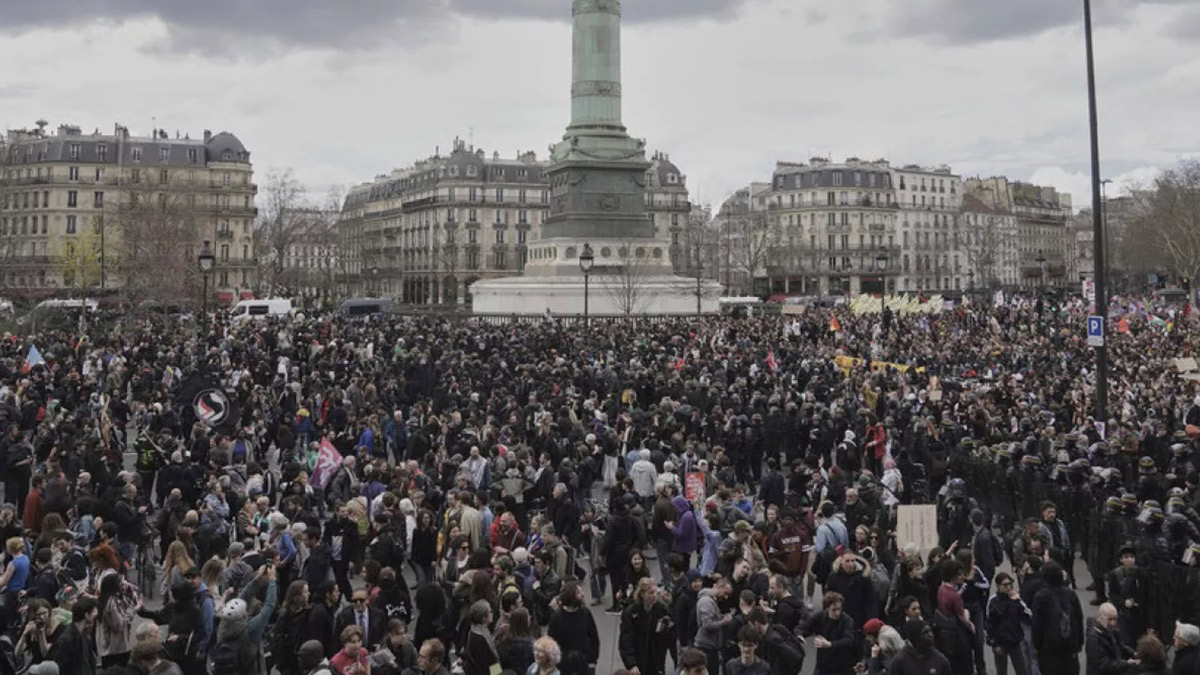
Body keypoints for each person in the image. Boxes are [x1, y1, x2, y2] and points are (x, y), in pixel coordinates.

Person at [1032, 561, 1083, 675]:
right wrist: (1079, 642)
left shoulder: (1041, 596)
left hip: (1049, 648)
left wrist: (1037, 646)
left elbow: (1037, 624)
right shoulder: (1070, 594)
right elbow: (1078, 618)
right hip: (1069, 646)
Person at [618, 577, 673, 675]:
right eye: (651, 593)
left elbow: (670, 632)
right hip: (639, 657)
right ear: (642, 594)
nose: (654, 595)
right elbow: (626, 640)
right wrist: (631, 664)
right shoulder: (631, 612)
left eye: (655, 592)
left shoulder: (661, 609)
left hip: (656, 657)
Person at [547, 581, 601, 675]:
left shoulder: (585, 613)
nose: (583, 595)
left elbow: (594, 638)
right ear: (571, 596)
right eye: (579, 593)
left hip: (585, 663)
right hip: (564, 666)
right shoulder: (557, 618)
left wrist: (593, 660)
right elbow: (551, 642)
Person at [985, 572, 1032, 675]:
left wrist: (1017, 600)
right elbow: (990, 624)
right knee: (1001, 671)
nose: (1008, 587)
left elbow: (1028, 615)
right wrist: (994, 643)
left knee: (1022, 670)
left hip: (1015, 640)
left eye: (1010, 584)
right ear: (998, 586)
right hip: (1000, 642)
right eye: (1005, 585)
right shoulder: (993, 601)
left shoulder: (1016, 599)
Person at [801, 591, 855, 675]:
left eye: (839, 609)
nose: (837, 613)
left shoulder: (847, 620)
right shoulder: (820, 617)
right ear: (827, 608)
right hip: (823, 663)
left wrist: (830, 644)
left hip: (841, 665)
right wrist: (800, 636)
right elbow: (805, 628)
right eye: (834, 610)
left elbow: (849, 640)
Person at [1085, 603, 1137, 675]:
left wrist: (1134, 653)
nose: (1113, 623)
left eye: (1115, 619)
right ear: (1100, 618)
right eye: (1110, 619)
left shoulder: (1112, 630)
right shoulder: (1093, 639)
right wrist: (1126, 663)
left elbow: (1121, 646)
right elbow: (1103, 665)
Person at [51, 596, 98, 675]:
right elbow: (60, 667)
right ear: (86, 615)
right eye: (94, 612)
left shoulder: (83, 633)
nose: (96, 614)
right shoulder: (67, 639)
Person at [887, 620, 953, 675]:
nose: (930, 635)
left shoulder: (940, 660)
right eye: (925, 633)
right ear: (916, 638)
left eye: (930, 631)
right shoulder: (899, 662)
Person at [462, 600, 500, 675]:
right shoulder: (479, 639)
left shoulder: (477, 631)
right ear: (483, 618)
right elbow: (485, 666)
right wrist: (497, 673)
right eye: (490, 611)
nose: (492, 613)